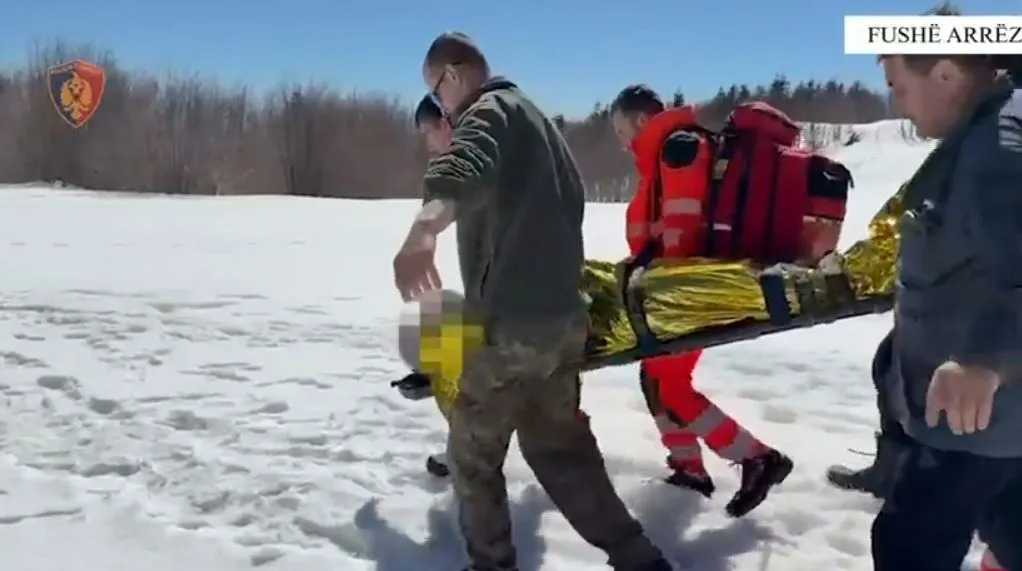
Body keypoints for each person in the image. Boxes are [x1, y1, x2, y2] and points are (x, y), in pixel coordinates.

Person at [391, 32, 672, 571]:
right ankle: (639, 559)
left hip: (516, 326)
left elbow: (462, 166)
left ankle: (491, 565)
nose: (442, 106)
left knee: (471, 452)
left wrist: (424, 230)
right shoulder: (540, 123)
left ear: (453, 75)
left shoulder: (488, 111)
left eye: (437, 88)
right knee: (560, 451)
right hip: (560, 322)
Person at [867, 43, 1022, 571]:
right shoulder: (981, 135)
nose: (900, 106)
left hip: (976, 418)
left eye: (900, 88)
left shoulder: (996, 152)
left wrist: (987, 360)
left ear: (946, 72)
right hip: (987, 420)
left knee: (908, 548)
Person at [608, 84, 793, 518]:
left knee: (669, 384)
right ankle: (689, 469)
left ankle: (756, 457)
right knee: (657, 380)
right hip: (675, 287)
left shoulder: (679, 147)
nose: (620, 140)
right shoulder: (667, 151)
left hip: (687, 290)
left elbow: (683, 227)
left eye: (619, 129)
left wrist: (657, 278)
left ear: (639, 121)